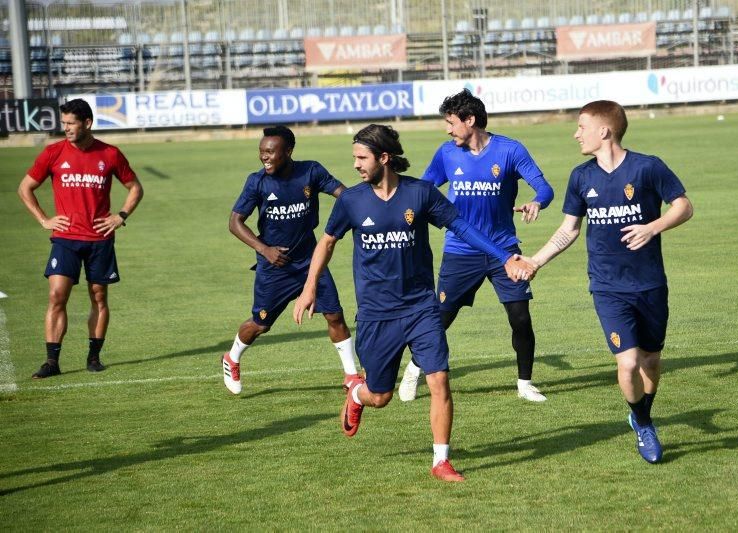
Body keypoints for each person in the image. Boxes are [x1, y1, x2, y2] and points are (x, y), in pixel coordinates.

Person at [293, 124, 532, 482]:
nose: (356, 165)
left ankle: (441, 461)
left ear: (384, 158)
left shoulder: (420, 195)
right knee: (380, 396)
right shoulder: (351, 201)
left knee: (439, 379)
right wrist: (309, 286)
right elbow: (326, 243)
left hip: (422, 307)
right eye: (354, 158)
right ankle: (357, 395)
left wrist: (505, 257)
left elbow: (463, 228)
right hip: (377, 314)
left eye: (362, 157)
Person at [520, 100, 693, 463]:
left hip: (650, 284)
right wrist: (536, 260)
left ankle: (642, 411)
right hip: (607, 286)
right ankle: (644, 423)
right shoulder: (581, 176)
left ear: (605, 130)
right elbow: (569, 230)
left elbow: (683, 206)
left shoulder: (648, 167)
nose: (575, 134)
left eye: (581, 126)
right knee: (628, 362)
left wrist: (653, 227)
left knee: (651, 362)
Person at [398, 89, 554, 403]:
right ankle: (414, 369)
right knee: (442, 318)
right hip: (460, 250)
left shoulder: (510, 150)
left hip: (504, 251)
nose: (447, 129)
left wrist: (538, 202)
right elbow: (424, 189)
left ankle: (524, 384)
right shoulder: (446, 153)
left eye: (451, 122)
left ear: (470, 120)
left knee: (520, 317)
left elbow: (544, 187)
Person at [222, 125, 358, 395]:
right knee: (260, 324)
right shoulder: (256, 182)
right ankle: (232, 357)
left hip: (310, 261)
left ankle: (352, 375)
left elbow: (344, 195)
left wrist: (371, 201)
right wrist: (265, 250)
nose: (265, 157)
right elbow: (235, 222)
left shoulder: (311, 171)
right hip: (275, 267)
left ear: (289, 151)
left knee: (334, 315)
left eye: (271, 152)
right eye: (262, 152)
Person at [18, 98, 144, 378]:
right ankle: (51, 362)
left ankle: (94, 356)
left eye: (70, 123)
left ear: (87, 123)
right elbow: (25, 188)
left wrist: (120, 216)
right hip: (65, 239)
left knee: (99, 297)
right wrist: (44, 219)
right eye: (63, 123)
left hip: (100, 240)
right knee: (56, 295)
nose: (66, 128)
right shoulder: (53, 153)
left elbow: (135, 187)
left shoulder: (110, 154)